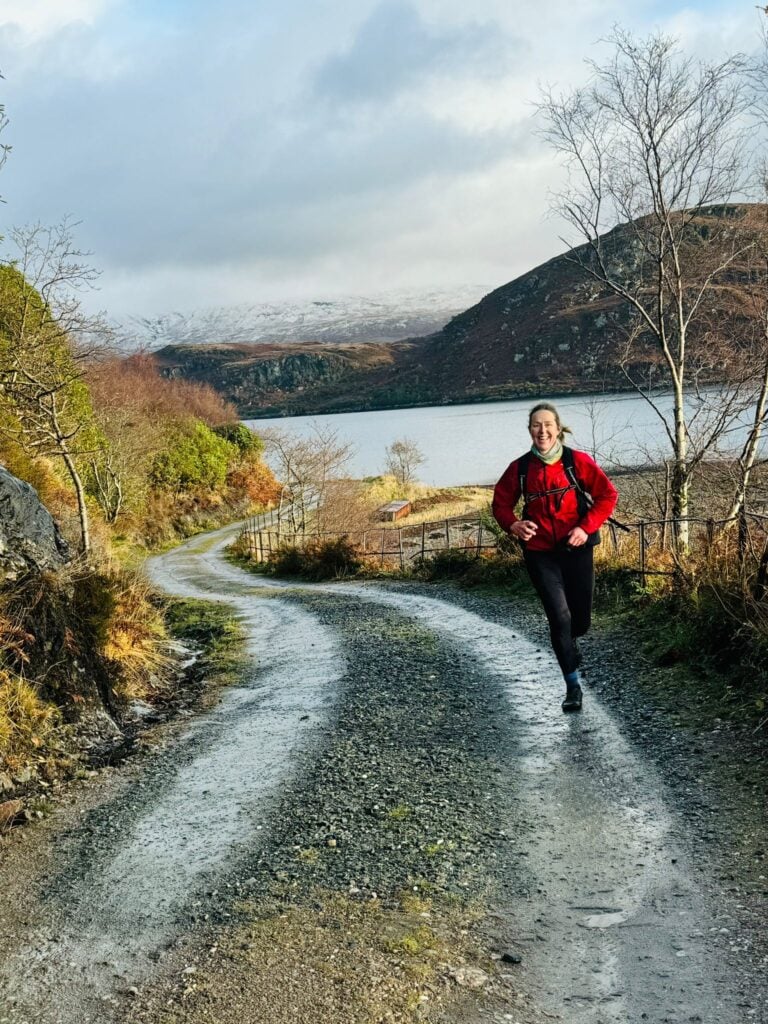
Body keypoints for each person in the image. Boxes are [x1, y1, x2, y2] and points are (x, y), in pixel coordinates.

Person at [492, 402, 618, 712]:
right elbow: (500, 504)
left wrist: (586, 528)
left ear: (558, 428)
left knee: (580, 622)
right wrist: (514, 525)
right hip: (540, 553)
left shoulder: (577, 462)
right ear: (530, 430)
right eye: (536, 425)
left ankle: (571, 642)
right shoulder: (520, 469)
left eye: (548, 424)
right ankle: (572, 686)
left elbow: (607, 496)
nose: (542, 430)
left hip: (576, 549)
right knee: (559, 618)